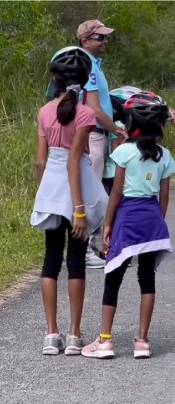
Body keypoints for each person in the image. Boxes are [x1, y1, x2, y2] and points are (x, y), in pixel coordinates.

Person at [81, 96, 173, 359]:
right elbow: (163, 198)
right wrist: (157, 221)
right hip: (152, 221)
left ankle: (105, 341)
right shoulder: (165, 156)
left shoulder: (122, 152)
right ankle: (142, 341)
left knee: (114, 277)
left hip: (127, 219)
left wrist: (108, 224)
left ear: (133, 123)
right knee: (147, 279)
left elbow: (117, 193)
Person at [30, 48, 108, 355]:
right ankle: (75, 335)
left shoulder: (44, 111)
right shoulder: (86, 114)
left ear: (55, 79)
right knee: (75, 261)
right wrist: (78, 209)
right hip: (78, 189)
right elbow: (75, 160)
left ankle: (52, 334)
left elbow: (40, 161)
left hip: (51, 186)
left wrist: (46, 193)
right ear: (85, 79)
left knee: (51, 260)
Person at [77, 19, 127, 269]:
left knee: (97, 192)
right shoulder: (86, 66)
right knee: (92, 193)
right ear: (85, 41)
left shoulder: (95, 65)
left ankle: (90, 246)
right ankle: (82, 249)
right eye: (100, 37)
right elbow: (94, 110)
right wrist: (116, 128)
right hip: (93, 134)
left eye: (105, 37)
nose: (105, 41)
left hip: (100, 134)